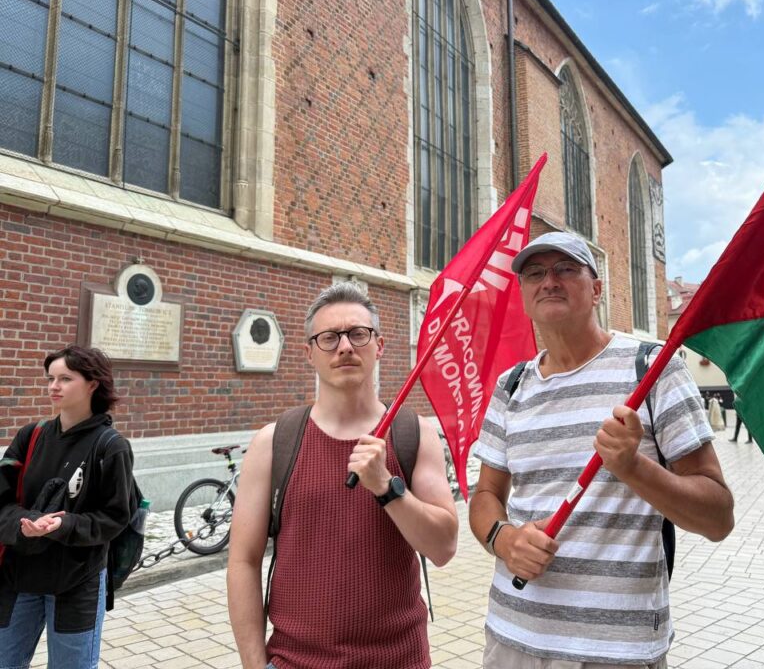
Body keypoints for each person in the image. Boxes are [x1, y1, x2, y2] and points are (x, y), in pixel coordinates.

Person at [469, 232, 735, 668]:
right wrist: (504, 539)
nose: (549, 281)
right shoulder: (511, 386)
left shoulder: (652, 370)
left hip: (616, 651)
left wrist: (633, 468)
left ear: (596, 289)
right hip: (512, 639)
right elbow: (485, 496)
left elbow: (718, 517)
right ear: (523, 296)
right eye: (534, 273)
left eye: (565, 269)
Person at [227, 282, 458, 669]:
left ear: (379, 346)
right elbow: (243, 562)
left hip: (398, 661)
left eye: (358, 334)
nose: (345, 347)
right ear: (309, 353)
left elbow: (444, 548)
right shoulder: (274, 442)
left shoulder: (414, 434)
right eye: (330, 338)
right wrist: (254, 664)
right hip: (295, 661)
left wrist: (387, 488)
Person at [0, 346, 134, 669]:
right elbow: (2, 500)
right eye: (51, 378)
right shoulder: (30, 436)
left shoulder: (111, 447)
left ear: (92, 384)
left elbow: (115, 517)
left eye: (65, 379)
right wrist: (25, 523)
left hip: (77, 582)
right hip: (20, 577)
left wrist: (64, 525)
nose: (53, 386)